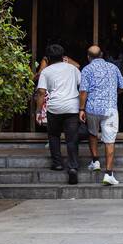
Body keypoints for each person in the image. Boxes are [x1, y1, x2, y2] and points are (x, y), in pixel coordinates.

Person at [78, 45, 123, 186]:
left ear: (88, 57)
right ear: (102, 55)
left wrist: (81, 109)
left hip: (92, 108)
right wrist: (113, 93)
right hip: (110, 109)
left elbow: (83, 92)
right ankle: (109, 174)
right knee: (109, 140)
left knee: (92, 133)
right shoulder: (113, 67)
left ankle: (95, 161)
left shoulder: (86, 69)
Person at [35, 44, 82, 184]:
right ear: (63, 56)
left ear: (48, 58)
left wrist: (38, 111)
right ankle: (73, 167)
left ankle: (58, 163)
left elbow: (42, 92)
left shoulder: (46, 71)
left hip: (54, 108)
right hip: (72, 107)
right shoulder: (73, 69)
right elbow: (81, 84)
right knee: (72, 138)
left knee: (54, 135)